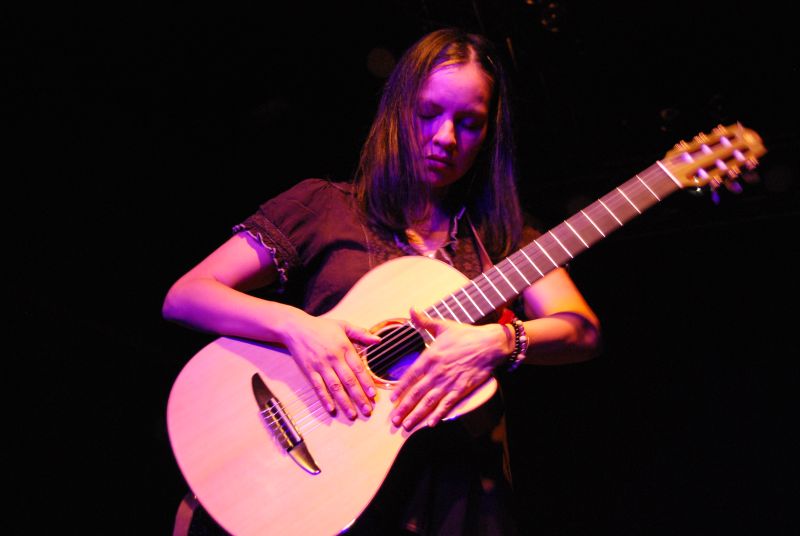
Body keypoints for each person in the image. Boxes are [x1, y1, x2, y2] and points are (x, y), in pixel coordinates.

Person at [163, 27, 601, 535]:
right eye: (428, 113)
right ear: (397, 109)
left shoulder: (501, 237)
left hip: (448, 504)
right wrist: (297, 327)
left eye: (470, 123)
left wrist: (501, 340)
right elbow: (186, 295)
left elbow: (582, 330)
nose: (446, 138)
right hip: (323, 480)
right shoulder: (326, 207)